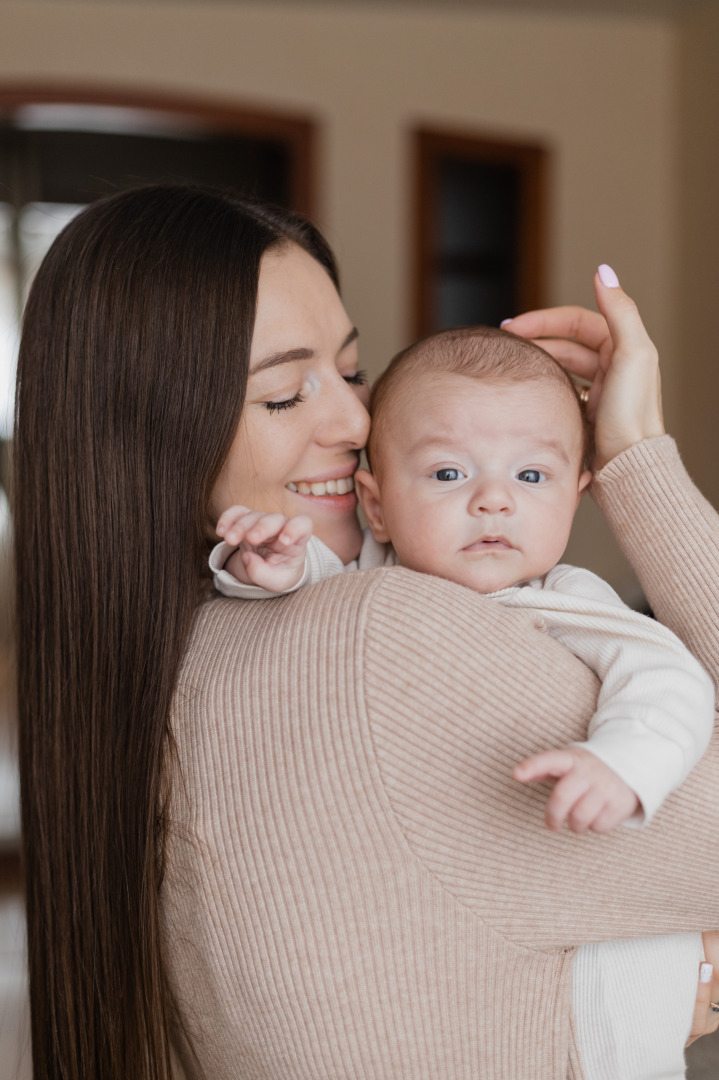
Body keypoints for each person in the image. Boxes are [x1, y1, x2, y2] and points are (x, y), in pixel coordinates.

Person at [13, 185, 719, 1080]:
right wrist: (635, 449)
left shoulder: (177, 666)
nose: (357, 422)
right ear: (147, 437)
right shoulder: (380, 642)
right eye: (281, 396)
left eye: (349, 371)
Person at [210, 320, 714, 836]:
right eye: (449, 473)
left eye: (532, 475)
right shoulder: (369, 574)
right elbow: (313, 593)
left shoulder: (564, 598)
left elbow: (667, 677)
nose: (495, 499)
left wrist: (622, 764)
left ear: (575, 497)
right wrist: (268, 561)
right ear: (377, 505)